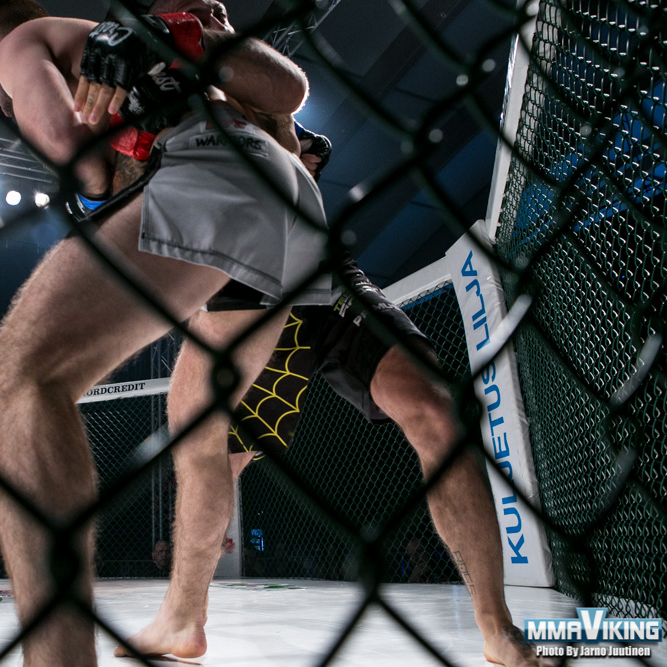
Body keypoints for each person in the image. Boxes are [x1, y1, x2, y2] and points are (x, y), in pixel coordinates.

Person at [111, 3, 554, 667]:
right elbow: (121, 205)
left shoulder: (241, 80)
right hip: (228, 295)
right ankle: (181, 619)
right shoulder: (135, 98)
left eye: (212, 9)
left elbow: (286, 130)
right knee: (210, 463)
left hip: (314, 279)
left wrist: (214, 45)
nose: (211, 11)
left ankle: (496, 626)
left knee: (436, 408)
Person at [0, 1, 331, 665]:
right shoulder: (148, 41)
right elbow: (289, 91)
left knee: (17, 377)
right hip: (292, 199)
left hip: (213, 174)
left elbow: (73, 150)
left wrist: (96, 189)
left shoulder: (22, 42)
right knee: (200, 432)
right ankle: (183, 621)